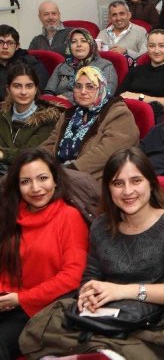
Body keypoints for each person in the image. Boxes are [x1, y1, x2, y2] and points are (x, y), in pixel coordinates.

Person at [24, 147, 164, 358]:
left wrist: (123, 291)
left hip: (154, 325)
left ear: (151, 183)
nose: (127, 191)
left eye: (136, 181)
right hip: (107, 318)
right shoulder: (101, 225)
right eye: (118, 183)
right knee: (39, 336)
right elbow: (90, 277)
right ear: (108, 189)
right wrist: (88, 295)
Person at [0, 147, 88, 360]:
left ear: (55, 180)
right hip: (6, 299)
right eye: (26, 181)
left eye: (42, 178)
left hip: (39, 309)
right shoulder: (11, 213)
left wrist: (21, 298)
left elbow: (73, 276)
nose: (36, 188)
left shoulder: (69, 217)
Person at [42, 66, 139, 181]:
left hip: (94, 179)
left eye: (90, 87)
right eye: (78, 86)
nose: (83, 92)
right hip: (60, 174)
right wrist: (34, 162)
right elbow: (51, 142)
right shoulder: (69, 114)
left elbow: (106, 153)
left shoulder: (118, 113)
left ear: (101, 88)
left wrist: (69, 170)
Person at [0, 64, 63, 174]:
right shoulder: (2, 115)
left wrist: (2, 154)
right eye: (17, 86)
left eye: (29, 86)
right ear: (8, 89)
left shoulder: (48, 119)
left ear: (36, 89)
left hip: (29, 175)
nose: (23, 92)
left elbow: (31, 154)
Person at [118, 29, 164, 114]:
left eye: (162, 46)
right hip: (127, 114)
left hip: (158, 116)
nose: (156, 51)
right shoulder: (136, 71)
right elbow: (120, 96)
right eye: (152, 46)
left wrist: (140, 97)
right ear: (147, 48)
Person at [44, 28, 117, 101]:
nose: (79, 45)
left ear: (91, 44)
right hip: (58, 105)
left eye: (83, 41)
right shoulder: (62, 66)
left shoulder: (105, 66)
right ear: (69, 46)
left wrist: (69, 98)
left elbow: (106, 93)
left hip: (90, 106)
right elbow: (48, 92)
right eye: (74, 42)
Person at [0, 24, 48, 100]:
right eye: (0, 42)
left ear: (17, 46)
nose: (5, 47)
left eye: (10, 43)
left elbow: (39, 87)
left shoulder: (30, 63)